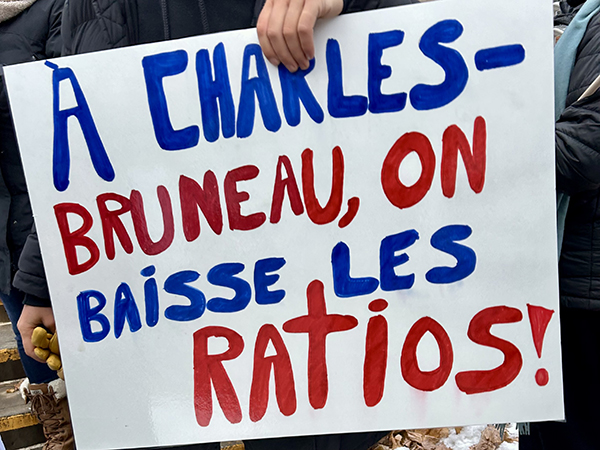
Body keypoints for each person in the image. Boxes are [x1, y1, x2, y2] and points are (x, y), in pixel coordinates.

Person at [14, 0, 417, 449]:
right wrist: (44, 279)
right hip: (156, 294)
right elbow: (76, 152)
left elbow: (429, 48)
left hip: (303, 276)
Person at [519, 0, 600, 449]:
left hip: (584, 293)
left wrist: (482, 137)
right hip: (563, 280)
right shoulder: (580, 19)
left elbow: (583, 154)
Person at [0, 1, 75, 449]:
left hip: (58, 228)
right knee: (33, 348)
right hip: (5, 247)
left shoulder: (56, 10)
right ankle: (60, 430)